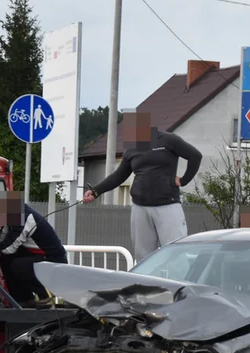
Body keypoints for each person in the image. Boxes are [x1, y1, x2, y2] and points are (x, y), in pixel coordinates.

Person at [82, 111, 203, 261]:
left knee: (175, 255)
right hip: (140, 207)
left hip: (167, 205)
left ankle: (176, 284)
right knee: (144, 258)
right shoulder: (132, 148)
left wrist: (184, 180)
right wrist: (96, 191)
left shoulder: (168, 140)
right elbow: (119, 176)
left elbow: (195, 156)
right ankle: (145, 284)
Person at [0, 191, 68, 308]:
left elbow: (8, 247)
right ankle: (23, 299)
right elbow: (3, 240)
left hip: (54, 261)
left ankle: (45, 293)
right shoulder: (14, 216)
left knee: (19, 264)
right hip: (41, 258)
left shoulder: (25, 218)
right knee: (6, 260)